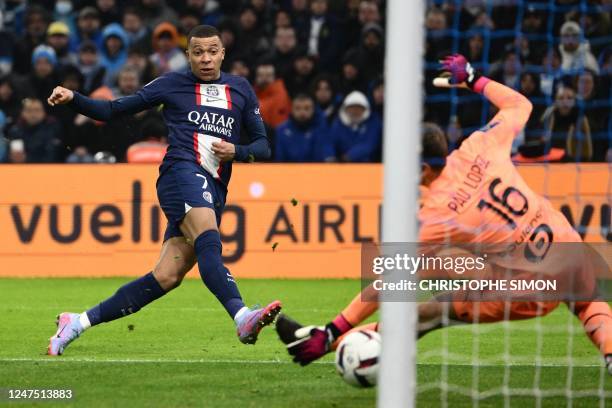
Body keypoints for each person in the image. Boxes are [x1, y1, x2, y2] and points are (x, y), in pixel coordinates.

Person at [275, 54, 612, 374]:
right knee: (586, 301)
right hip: (565, 242)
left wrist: (337, 327)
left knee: (432, 310)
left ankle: (329, 341)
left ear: (421, 167)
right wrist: (473, 79)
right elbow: (520, 104)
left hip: (528, 285)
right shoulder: (479, 146)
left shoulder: (435, 215)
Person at [46, 25, 281, 356]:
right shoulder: (171, 84)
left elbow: (263, 146)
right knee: (209, 239)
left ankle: (77, 322)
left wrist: (238, 152)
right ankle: (242, 316)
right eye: (198, 52)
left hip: (213, 186)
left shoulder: (240, 89)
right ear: (188, 55)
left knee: (166, 276)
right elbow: (114, 110)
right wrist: (74, 99)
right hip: (180, 173)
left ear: (223, 53)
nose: (206, 58)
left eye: (212, 51)